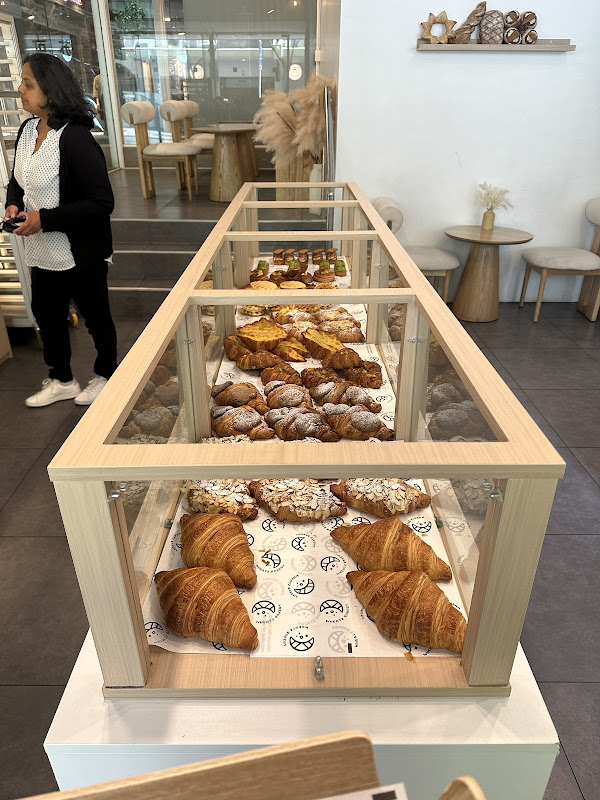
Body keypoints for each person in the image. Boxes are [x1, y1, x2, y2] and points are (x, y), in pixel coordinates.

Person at [4, 52, 117, 408]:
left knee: (96, 317)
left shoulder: (74, 138)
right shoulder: (26, 131)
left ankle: (108, 376)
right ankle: (62, 379)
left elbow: (101, 202)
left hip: (79, 249)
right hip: (41, 251)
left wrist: (44, 219)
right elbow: (17, 182)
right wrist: (14, 204)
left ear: (50, 89)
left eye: (28, 83)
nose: (20, 90)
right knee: (47, 316)